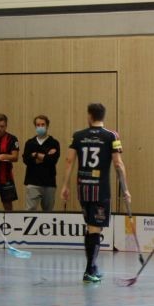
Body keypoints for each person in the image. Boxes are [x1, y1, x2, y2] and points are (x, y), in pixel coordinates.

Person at [60, 103, 131, 283]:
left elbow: (69, 161)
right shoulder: (112, 136)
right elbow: (118, 164)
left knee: (91, 226)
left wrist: (65, 185)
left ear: (90, 116)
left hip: (83, 188)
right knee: (94, 228)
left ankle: (92, 267)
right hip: (101, 189)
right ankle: (89, 270)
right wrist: (125, 189)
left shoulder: (78, 135)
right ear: (102, 116)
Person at [21, 114, 60, 211]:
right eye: (38, 125)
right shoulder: (30, 143)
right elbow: (26, 160)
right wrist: (45, 156)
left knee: (48, 211)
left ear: (47, 126)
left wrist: (36, 154)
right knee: (30, 210)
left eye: (43, 124)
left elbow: (52, 160)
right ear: (35, 126)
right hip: (33, 182)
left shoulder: (54, 143)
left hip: (49, 183)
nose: (40, 127)